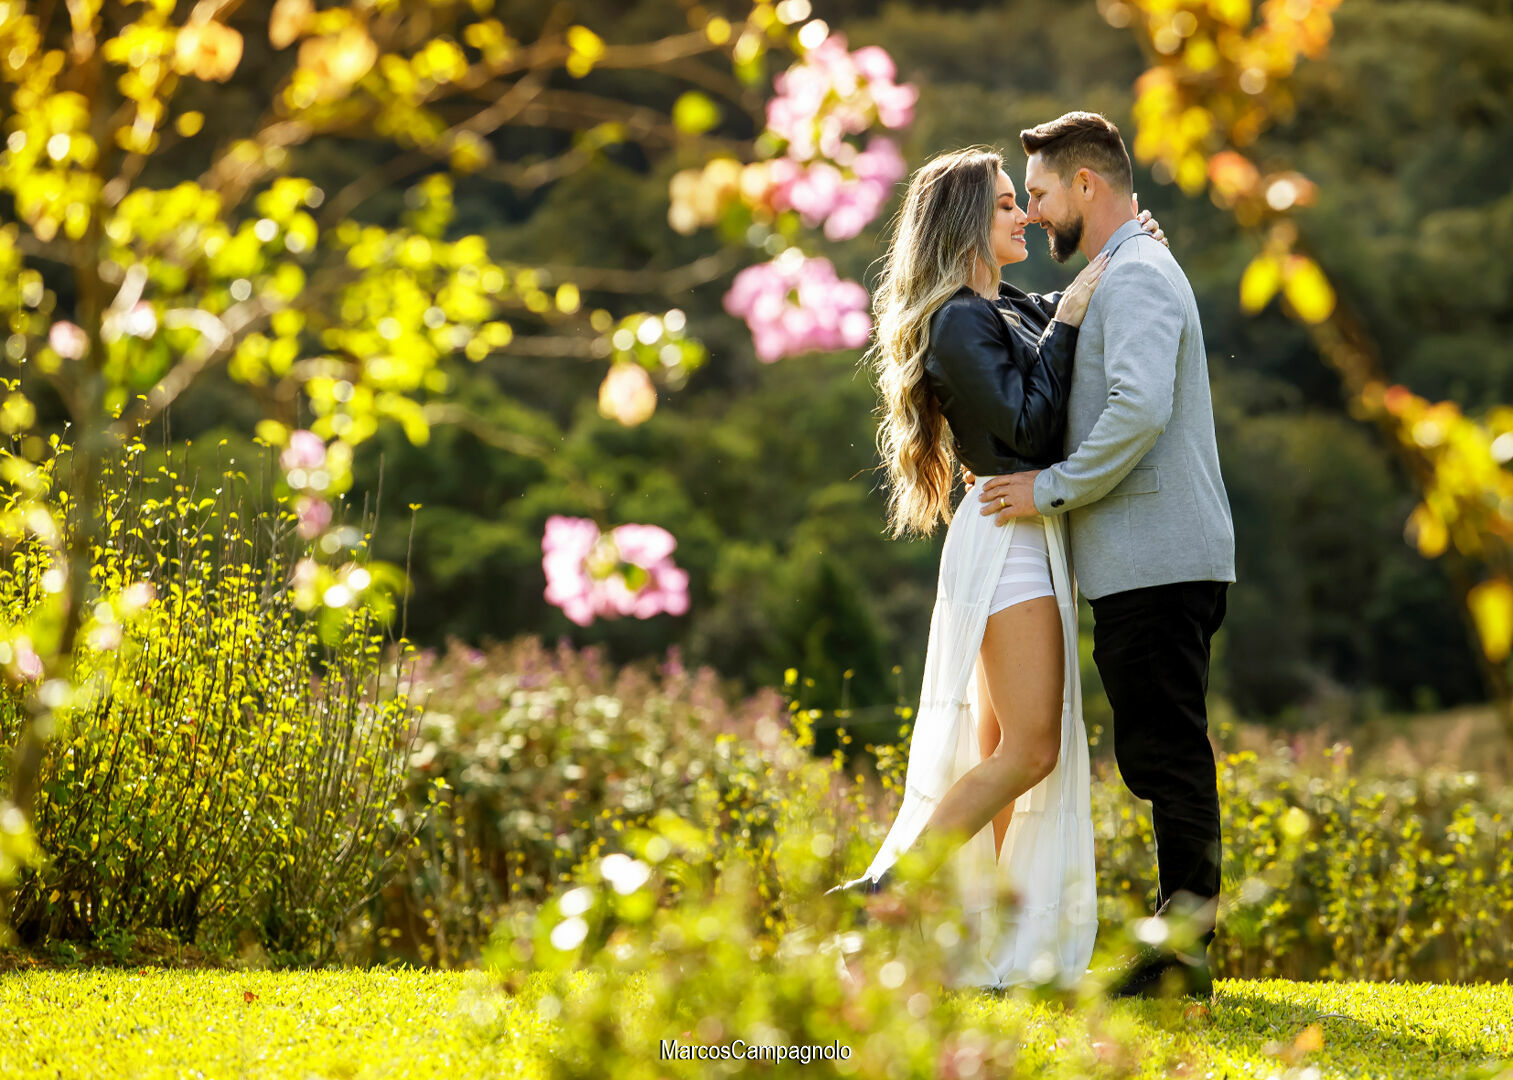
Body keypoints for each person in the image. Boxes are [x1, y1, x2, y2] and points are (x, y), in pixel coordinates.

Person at [829, 144, 1166, 992]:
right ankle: (890, 891)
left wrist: (1115, 260)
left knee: (999, 751)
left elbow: (1049, 318)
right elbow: (1024, 425)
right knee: (1028, 750)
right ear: (966, 223)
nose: (1025, 216)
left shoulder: (996, 305)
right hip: (1006, 533)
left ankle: (955, 937)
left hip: (1023, 533)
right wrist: (1077, 312)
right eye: (1008, 204)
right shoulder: (955, 318)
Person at [976, 112, 1236, 1000]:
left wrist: (1047, 488)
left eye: (1040, 194)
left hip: (1158, 559)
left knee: (1167, 756)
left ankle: (1182, 961)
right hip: (1145, 561)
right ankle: (1179, 948)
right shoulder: (1120, 271)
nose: (1036, 212)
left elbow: (1136, 411)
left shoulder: (1141, 277)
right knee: (1160, 753)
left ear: (1086, 185)